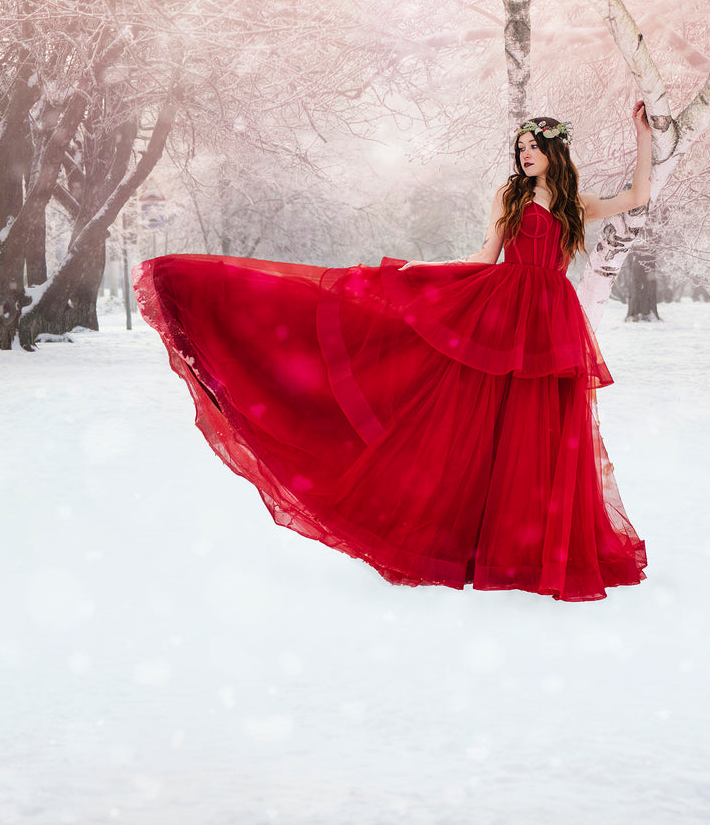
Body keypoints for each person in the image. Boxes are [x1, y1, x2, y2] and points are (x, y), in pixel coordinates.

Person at [135, 102, 657, 600]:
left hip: (550, 321)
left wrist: (643, 137)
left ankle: (537, 550)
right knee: (488, 425)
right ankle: (481, 545)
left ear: (553, 150)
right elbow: (486, 255)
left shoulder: (574, 203)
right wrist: (426, 272)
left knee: (544, 428)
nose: (524, 155)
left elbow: (637, 195)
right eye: (519, 147)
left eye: (532, 147)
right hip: (502, 313)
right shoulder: (511, 196)